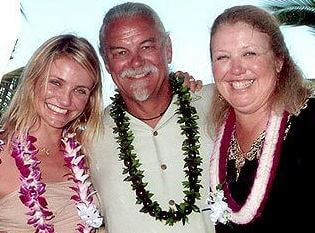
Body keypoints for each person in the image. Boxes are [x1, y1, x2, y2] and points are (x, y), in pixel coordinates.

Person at [90, 2, 215, 233]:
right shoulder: (89, 136)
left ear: (167, 49)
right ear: (107, 62)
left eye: (146, 47)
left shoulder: (218, 104)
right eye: (120, 53)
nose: (136, 62)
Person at [205, 5, 315, 233]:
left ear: (278, 60)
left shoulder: (308, 123)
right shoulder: (219, 132)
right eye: (223, 57)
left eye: (249, 53)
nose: (236, 69)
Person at [0, 34, 104, 232]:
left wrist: (180, 94)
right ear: (34, 79)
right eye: (56, 82)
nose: (65, 101)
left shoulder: (89, 151)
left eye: (80, 90)